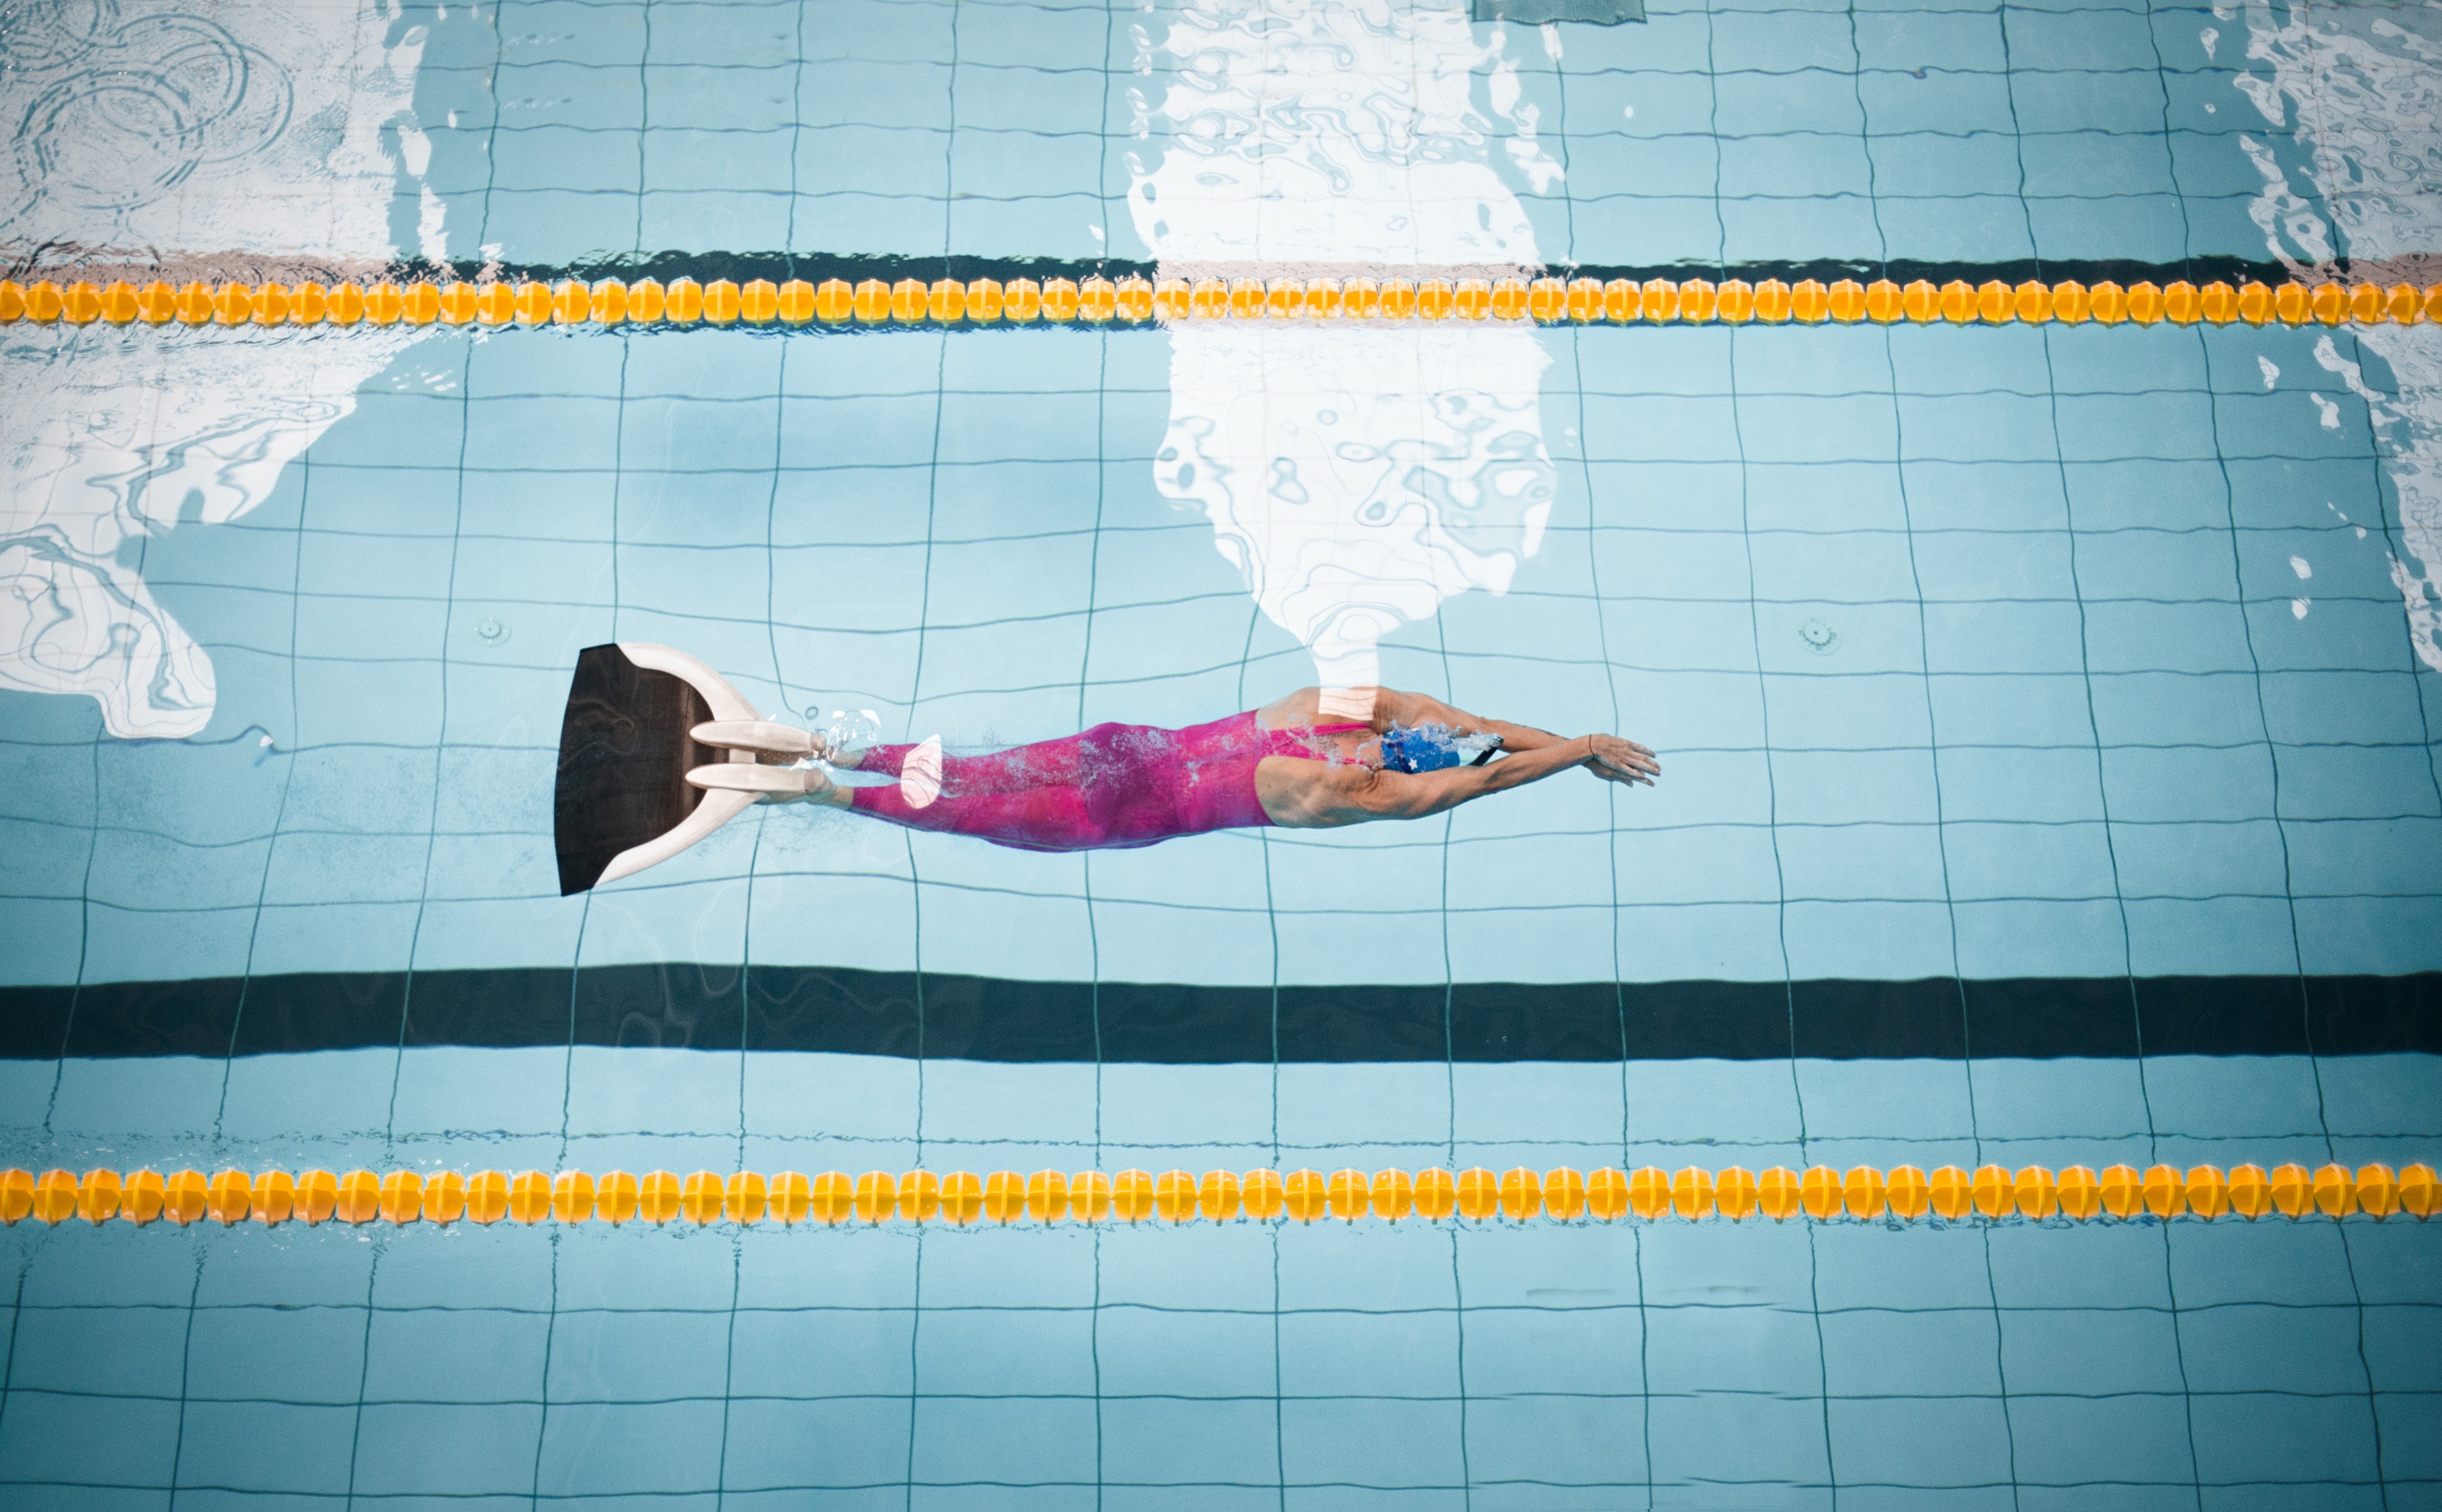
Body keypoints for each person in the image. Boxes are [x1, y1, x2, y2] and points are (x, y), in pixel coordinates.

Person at [759, 685, 1659, 853]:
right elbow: (1485, 771)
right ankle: (829, 792)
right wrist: (1579, 752)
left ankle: (839, 750)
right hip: (1117, 816)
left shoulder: (1337, 708)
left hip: (1119, 750)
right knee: (959, 813)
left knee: (977, 773)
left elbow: (1474, 731)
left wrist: (1576, 741)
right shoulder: (1364, 792)